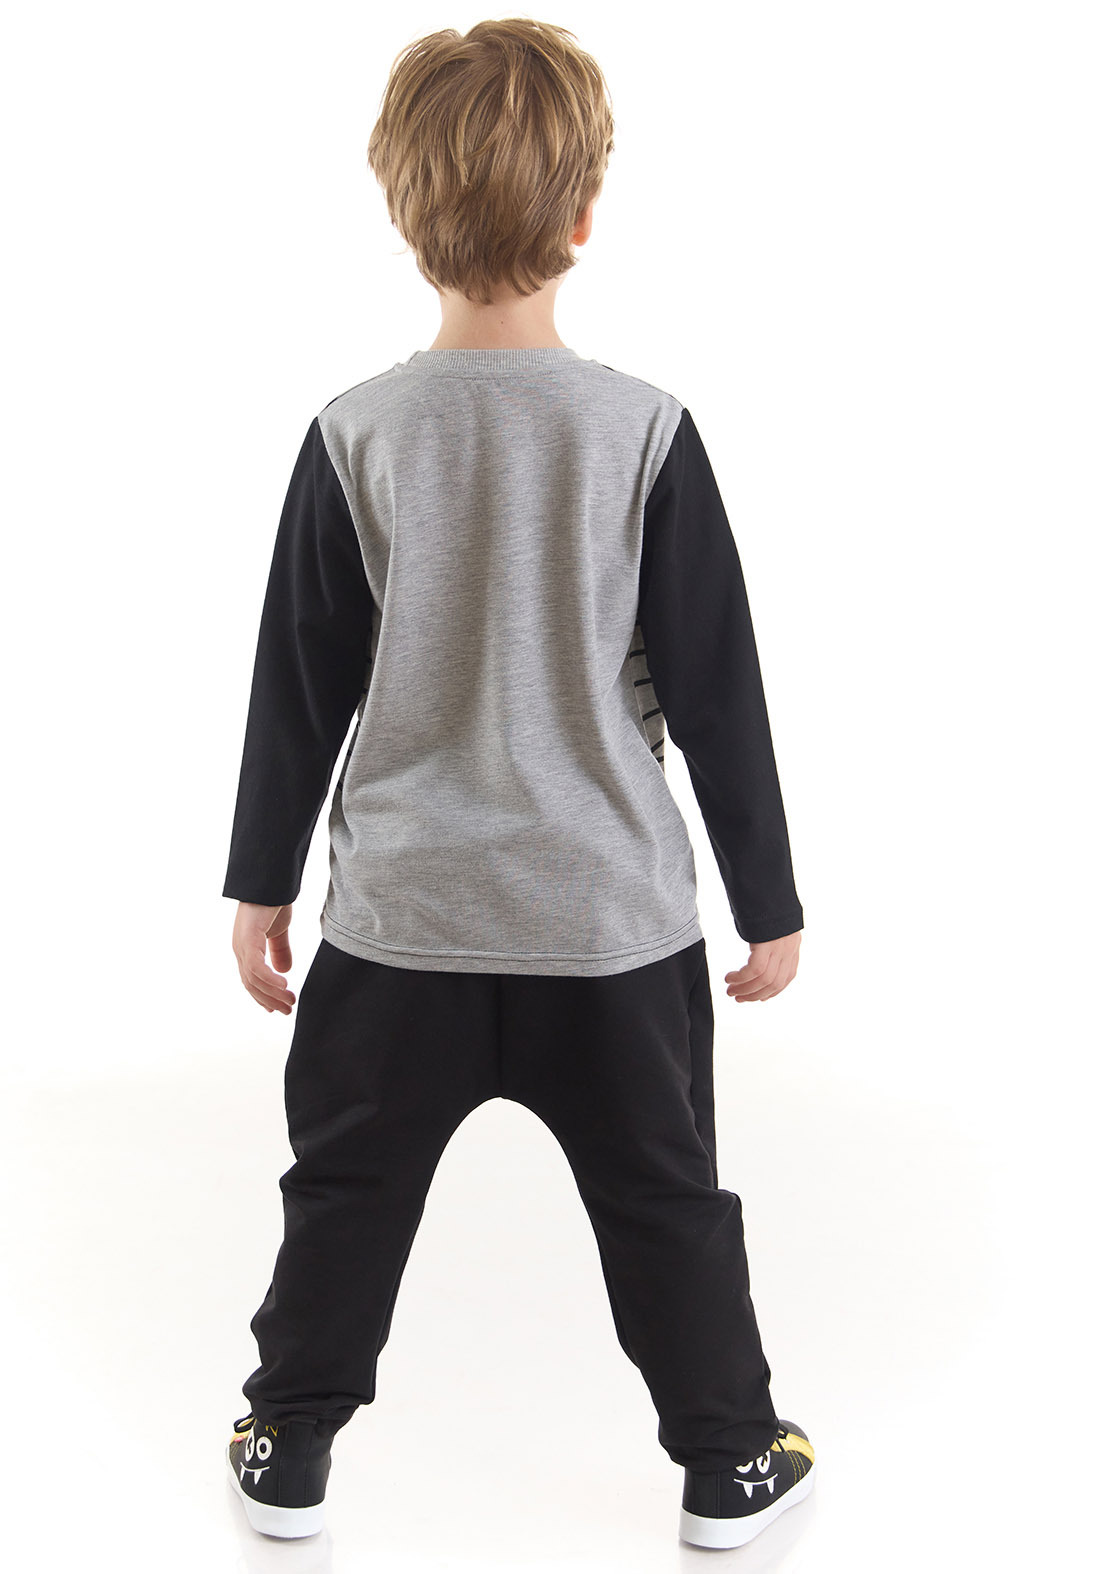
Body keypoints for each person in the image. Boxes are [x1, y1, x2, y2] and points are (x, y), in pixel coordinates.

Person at [219, 17, 814, 1552]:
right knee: (665, 1200)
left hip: (401, 924)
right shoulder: (643, 431)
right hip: (606, 923)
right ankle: (730, 1459)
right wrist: (769, 902)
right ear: (585, 213)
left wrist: (259, 881)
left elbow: (300, 682)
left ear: (400, 207)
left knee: (344, 1193)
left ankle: (286, 1440)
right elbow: (715, 687)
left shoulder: (354, 432)